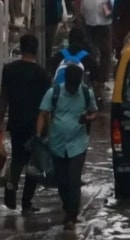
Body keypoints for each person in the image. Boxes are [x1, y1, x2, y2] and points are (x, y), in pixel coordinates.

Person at [36, 63, 97, 229]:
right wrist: (38, 136)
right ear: (66, 81)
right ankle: (67, 207)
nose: (72, 89)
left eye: (75, 85)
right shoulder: (54, 93)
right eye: (70, 85)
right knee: (62, 181)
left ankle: (71, 217)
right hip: (57, 144)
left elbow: (94, 112)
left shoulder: (86, 93)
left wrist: (88, 118)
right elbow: (43, 114)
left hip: (78, 144)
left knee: (74, 180)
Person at [0, 35, 52, 213]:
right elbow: (46, 106)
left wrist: (0, 121)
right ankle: (26, 203)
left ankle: (10, 190)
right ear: (36, 50)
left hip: (15, 123)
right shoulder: (42, 74)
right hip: (35, 125)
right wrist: (48, 129)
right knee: (33, 164)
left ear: (21, 49)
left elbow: (4, 98)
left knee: (17, 159)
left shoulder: (9, 70)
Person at [48, 27, 102, 93]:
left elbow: (51, 75)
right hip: (81, 95)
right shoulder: (89, 59)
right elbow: (96, 81)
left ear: (69, 40)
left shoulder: (58, 56)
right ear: (83, 41)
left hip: (60, 95)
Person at [73, 0, 113, 85]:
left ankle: (102, 79)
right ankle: (91, 76)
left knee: (106, 51)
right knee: (89, 50)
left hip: (104, 21)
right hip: (87, 20)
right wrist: (77, 15)